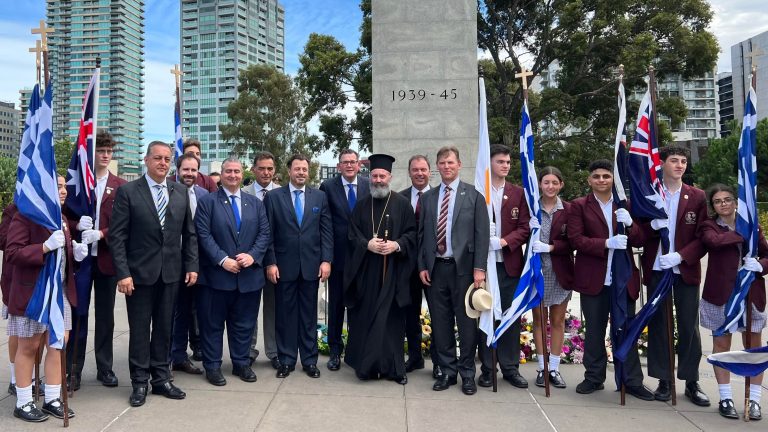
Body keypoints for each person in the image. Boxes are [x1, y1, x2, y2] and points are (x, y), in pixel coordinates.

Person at [109, 141, 198, 407]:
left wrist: (192, 265)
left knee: (163, 328)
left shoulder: (180, 191)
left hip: (170, 273)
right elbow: (117, 237)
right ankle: (139, 382)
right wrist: (123, 273)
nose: (162, 163)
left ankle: (161, 379)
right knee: (139, 331)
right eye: (157, 158)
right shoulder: (128, 192)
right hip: (138, 276)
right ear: (146, 160)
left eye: (167, 159)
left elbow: (189, 234)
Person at [568, 159, 653, 400]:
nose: (602, 180)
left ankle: (632, 380)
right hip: (594, 279)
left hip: (623, 280)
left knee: (627, 332)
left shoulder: (625, 205)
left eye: (606, 176)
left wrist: (630, 225)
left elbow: (640, 239)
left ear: (612, 179)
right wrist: (606, 243)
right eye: (597, 176)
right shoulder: (579, 206)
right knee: (594, 332)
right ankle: (594, 377)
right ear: (589, 180)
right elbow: (576, 239)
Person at [6, 175, 84, 421]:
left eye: (64, 187)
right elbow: (12, 252)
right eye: (58, 187)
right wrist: (43, 247)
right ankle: (24, 401)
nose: (63, 191)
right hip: (34, 292)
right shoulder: (25, 215)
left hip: (58, 292)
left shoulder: (60, 218)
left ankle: (51, 398)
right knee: (28, 346)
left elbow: (63, 257)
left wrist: (75, 253)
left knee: (58, 344)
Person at [637, 146, 709, 406]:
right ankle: (664, 379)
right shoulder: (650, 195)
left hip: (685, 269)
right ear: (662, 164)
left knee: (689, 326)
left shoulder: (697, 196)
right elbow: (638, 232)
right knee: (659, 325)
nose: (679, 165)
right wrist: (648, 227)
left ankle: (691, 381)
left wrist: (682, 256)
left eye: (683, 161)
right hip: (657, 269)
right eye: (674, 161)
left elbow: (704, 236)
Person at [418, 146, 489, 396]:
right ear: (437, 167)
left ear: (459, 164)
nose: (446, 166)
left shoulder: (474, 196)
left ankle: (467, 373)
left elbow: (482, 236)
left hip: (465, 271)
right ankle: (447, 371)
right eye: (442, 163)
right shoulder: (428, 198)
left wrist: (479, 268)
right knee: (441, 323)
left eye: (450, 162)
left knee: (467, 324)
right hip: (436, 270)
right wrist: (422, 266)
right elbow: (422, 236)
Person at [196, 158, 271, 386]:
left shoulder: (255, 203)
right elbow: (203, 235)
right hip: (217, 277)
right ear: (222, 173)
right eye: (228, 171)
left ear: (242, 174)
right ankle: (213, 366)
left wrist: (253, 256)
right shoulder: (208, 202)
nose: (233, 175)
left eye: (237, 171)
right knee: (213, 325)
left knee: (244, 324)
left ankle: (241, 363)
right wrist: (222, 260)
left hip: (248, 278)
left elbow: (264, 234)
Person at [344, 154, 416, 384]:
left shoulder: (402, 204)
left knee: (391, 321)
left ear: (390, 177)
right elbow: (352, 234)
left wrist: (397, 245)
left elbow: (412, 234)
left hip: (393, 271)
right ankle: (366, 367)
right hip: (366, 271)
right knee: (366, 319)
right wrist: (368, 244)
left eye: (382, 176)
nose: (377, 180)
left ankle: (394, 369)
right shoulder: (362, 204)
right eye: (374, 175)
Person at [66, 130, 127, 390]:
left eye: (108, 151)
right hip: (81, 260)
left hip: (105, 260)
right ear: (90, 154)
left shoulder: (121, 186)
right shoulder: (77, 184)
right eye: (100, 151)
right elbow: (62, 216)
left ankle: (105, 367)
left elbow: (124, 225)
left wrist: (101, 233)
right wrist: (76, 223)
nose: (104, 155)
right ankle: (73, 369)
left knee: (105, 317)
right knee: (78, 315)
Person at [699, 184, 765, 420]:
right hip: (721, 296)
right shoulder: (709, 225)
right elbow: (714, 242)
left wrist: (760, 265)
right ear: (713, 206)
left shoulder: (752, 224)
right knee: (721, 347)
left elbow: (767, 254)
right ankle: (725, 396)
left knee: (754, 349)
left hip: (751, 295)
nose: (724, 204)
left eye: (727, 199)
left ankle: (754, 400)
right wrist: (743, 233)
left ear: (736, 201)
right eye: (718, 201)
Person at [265, 154, 333, 379]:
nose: (301, 172)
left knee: (308, 316)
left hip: (312, 267)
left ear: (309, 172)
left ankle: (310, 360)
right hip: (284, 267)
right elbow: (268, 234)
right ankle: (286, 360)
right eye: (297, 169)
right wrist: (271, 262)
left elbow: (326, 232)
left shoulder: (319, 197)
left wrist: (326, 260)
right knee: (285, 316)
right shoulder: (274, 197)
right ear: (289, 171)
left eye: (304, 169)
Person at [477, 144, 530, 390]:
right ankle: (488, 368)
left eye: (508, 162)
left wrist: (504, 241)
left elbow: (525, 226)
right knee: (486, 316)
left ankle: (510, 368)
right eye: (500, 161)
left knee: (510, 317)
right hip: (484, 267)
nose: (505, 165)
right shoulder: (479, 189)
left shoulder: (518, 193)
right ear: (490, 163)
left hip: (509, 265)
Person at [319, 149, 370, 371]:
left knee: (360, 306)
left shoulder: (370, 185)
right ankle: (334, 351)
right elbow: (325, 226)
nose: (349, 165)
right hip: (338, 257)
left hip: (364, 258)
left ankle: (357, 350)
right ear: (338, 166)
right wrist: (326, 259)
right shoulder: (327, 188)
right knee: (336, 307)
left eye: (353, 162)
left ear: (359, 165)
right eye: (344, 162)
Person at [529, 166, 573, 388]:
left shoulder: (569, 209)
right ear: (539, 184)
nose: (550, 186)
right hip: (537, 272)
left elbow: (574, 240)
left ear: (561, 185)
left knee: (556, 321)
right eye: (546, 182)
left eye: (555, 183)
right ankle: (541, 367)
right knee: (538, 320)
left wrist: (551, 247)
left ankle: (554, 368)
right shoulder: (530, 207)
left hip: (559, 272)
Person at [399, 155, 441, 379]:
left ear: (430, 172)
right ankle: (414, 357)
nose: (419, 173)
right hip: (407, 267)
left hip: (434, 266)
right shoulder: (400, 198)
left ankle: (438, 361)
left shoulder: (438, 197)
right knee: (409, 314)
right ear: (409, 172)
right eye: (415, 170)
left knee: (437, 314)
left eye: (423, 169)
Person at [169, 154, 208, 376]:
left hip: (197, 263)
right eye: (186, 169)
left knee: (187, 312)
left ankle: (180, 356)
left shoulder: (204, 195)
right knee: (169, 313)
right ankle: (166, 358)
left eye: (194, 170)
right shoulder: (169, 191)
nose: (189, 174)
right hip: (172, 262)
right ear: (178, 169)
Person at [243, 151, 281, 370]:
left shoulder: (282, 193)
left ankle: (273, 351)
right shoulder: (243, 193)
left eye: (270, 168)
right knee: (249, 309)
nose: (266, 172)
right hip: (250, 261)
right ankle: (248, 350)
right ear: (254, 169)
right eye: (262, 168)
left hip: (275, 262)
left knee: (273, 308)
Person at [0, 202, 19, 396]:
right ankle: (16, 378)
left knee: (37, 336)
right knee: (18, 331)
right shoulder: (14, 209)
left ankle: (28, 375)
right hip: (16, 280)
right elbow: (3, 239)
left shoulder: (53, 208)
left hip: (43, 282)